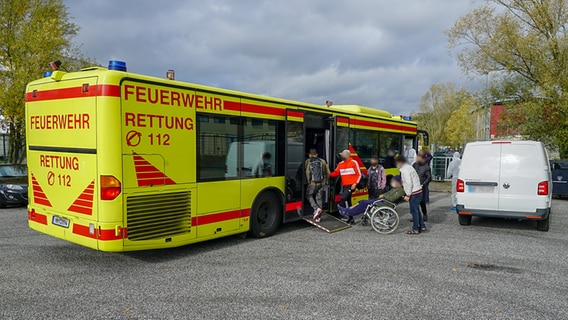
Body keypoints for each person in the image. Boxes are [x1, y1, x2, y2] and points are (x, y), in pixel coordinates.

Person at [338, 175, 406, 217]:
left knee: (363, 203)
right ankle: (347, 210)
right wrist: (383, 195)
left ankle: (349, 213)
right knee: (361, 202)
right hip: (382, 201)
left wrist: (383, 196)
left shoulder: (401, 191)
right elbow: (388, 195)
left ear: (398, 182)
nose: (392, 182)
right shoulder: (395, 188)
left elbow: (392, 198)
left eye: (394, 181)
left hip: (386, 203)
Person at [396, 155, 426, 234]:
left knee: (414, 211)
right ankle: (422, 226)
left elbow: (409, 183)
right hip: (418, 191)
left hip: (414, 192)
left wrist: (408, 195)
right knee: (417, 210)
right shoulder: (410, 167)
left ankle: (415, 228)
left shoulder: (405, 170)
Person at [330, 149, 362, 224]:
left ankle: (345, 215)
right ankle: (351, 219)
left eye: (342, 155)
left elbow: (359, 174)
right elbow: (336, 173)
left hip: (351, 186)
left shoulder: (354, 162)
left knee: (343, 198)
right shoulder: (341, 164)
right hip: (344, 185)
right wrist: (328, 174)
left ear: (347, 155)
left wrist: (355, 184)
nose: (341, 156)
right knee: (348, 201)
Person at [305, 148, 330, 222]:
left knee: (308, 195)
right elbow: (328, 173)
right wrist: (324, 181)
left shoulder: (308, 161)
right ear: (316, 154)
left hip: (313, 183)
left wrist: (309, 182)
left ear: (309, 155)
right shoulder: (322, 161)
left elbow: (307, 173)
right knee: (319, 198)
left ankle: (316, 208)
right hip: (321, 183)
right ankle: (318, 217)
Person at [412, 153, 432, 222]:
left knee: (422, 202)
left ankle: (424, 214)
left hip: (421, 186)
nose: (418, 159)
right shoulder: (415, 165)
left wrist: (423, 184)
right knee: (414, 202)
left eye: (419, 158)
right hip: (414, 185)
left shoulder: (426, 167)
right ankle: (416, 216)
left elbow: (429, 177)